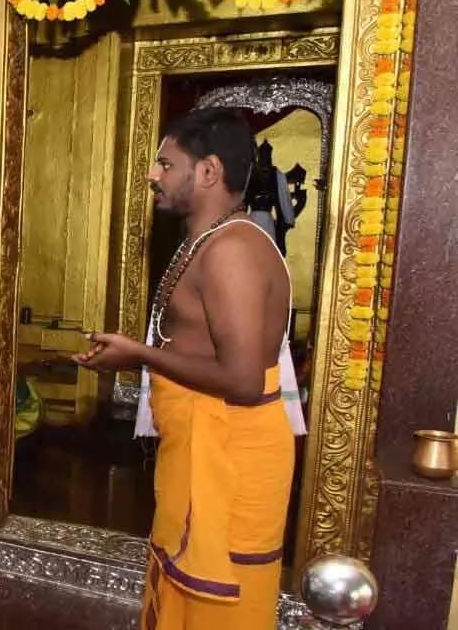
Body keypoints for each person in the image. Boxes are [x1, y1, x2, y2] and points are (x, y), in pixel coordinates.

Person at [74, 108, 299, 629]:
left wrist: (140, 354)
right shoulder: (210, 240)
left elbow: (243, 381)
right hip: (202, 449)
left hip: (231, 463)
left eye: (165, 163)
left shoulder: (233, 251)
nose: (153, 174)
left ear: (208, 172)